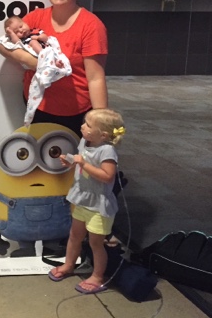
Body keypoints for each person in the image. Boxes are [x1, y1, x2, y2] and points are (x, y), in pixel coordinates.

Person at [0, 0, 108, 137]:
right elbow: (2, 45)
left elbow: (95, 78)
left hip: (75, 110)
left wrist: (101, 122)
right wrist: (38, 64)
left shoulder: (91, 25)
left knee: (72, 153)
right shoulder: (36, 17)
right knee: (40, 152)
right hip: (38, 105)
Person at [48, 108, 126, 295]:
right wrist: (71, 161)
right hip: (82, 199)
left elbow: (107, 176)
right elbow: (81, 160)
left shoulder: (107, 151)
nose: (82, 126)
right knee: (74, 235)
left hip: (99, 206)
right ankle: (68, 264)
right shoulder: (85, 141)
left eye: (88, 125)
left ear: (103, 135)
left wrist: (83, 163)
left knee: (96, 243)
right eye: (84, 122)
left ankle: (98, 276)